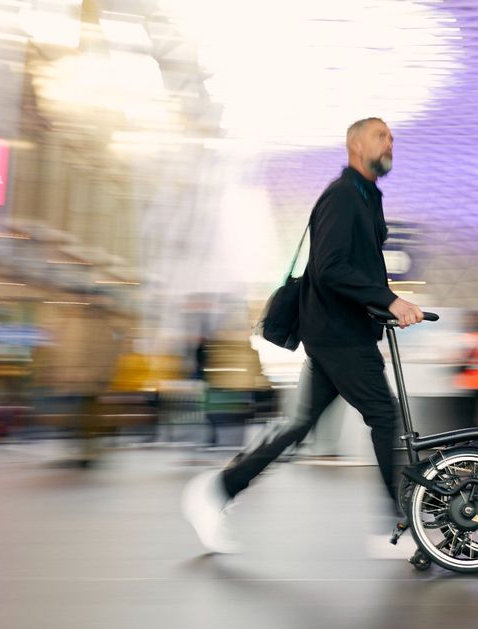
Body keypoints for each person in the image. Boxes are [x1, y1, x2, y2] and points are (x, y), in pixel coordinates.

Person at [182, 117, 425, 553]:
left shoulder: (367, 197)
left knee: (299, 425)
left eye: (391, 136)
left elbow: (354, 268)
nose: (390, 141)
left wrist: (378, 312)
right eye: (380, 135)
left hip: (341, 332)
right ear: (354, 145)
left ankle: (218, 491)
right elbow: (330, 268)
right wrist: (389, 301)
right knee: (385, 417)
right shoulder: (344, 196)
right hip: (338, 333)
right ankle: (393, 528)